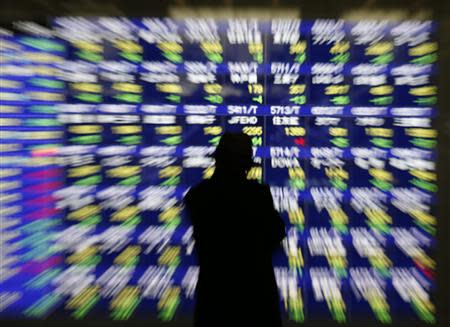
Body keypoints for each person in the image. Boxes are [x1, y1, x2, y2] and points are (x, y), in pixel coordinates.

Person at [183, 132, 286, 327]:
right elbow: (277, 233)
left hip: (214, 302)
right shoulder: (258, 196)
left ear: (218, 160)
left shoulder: (197, 196)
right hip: (256, 302)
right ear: (246, 164)